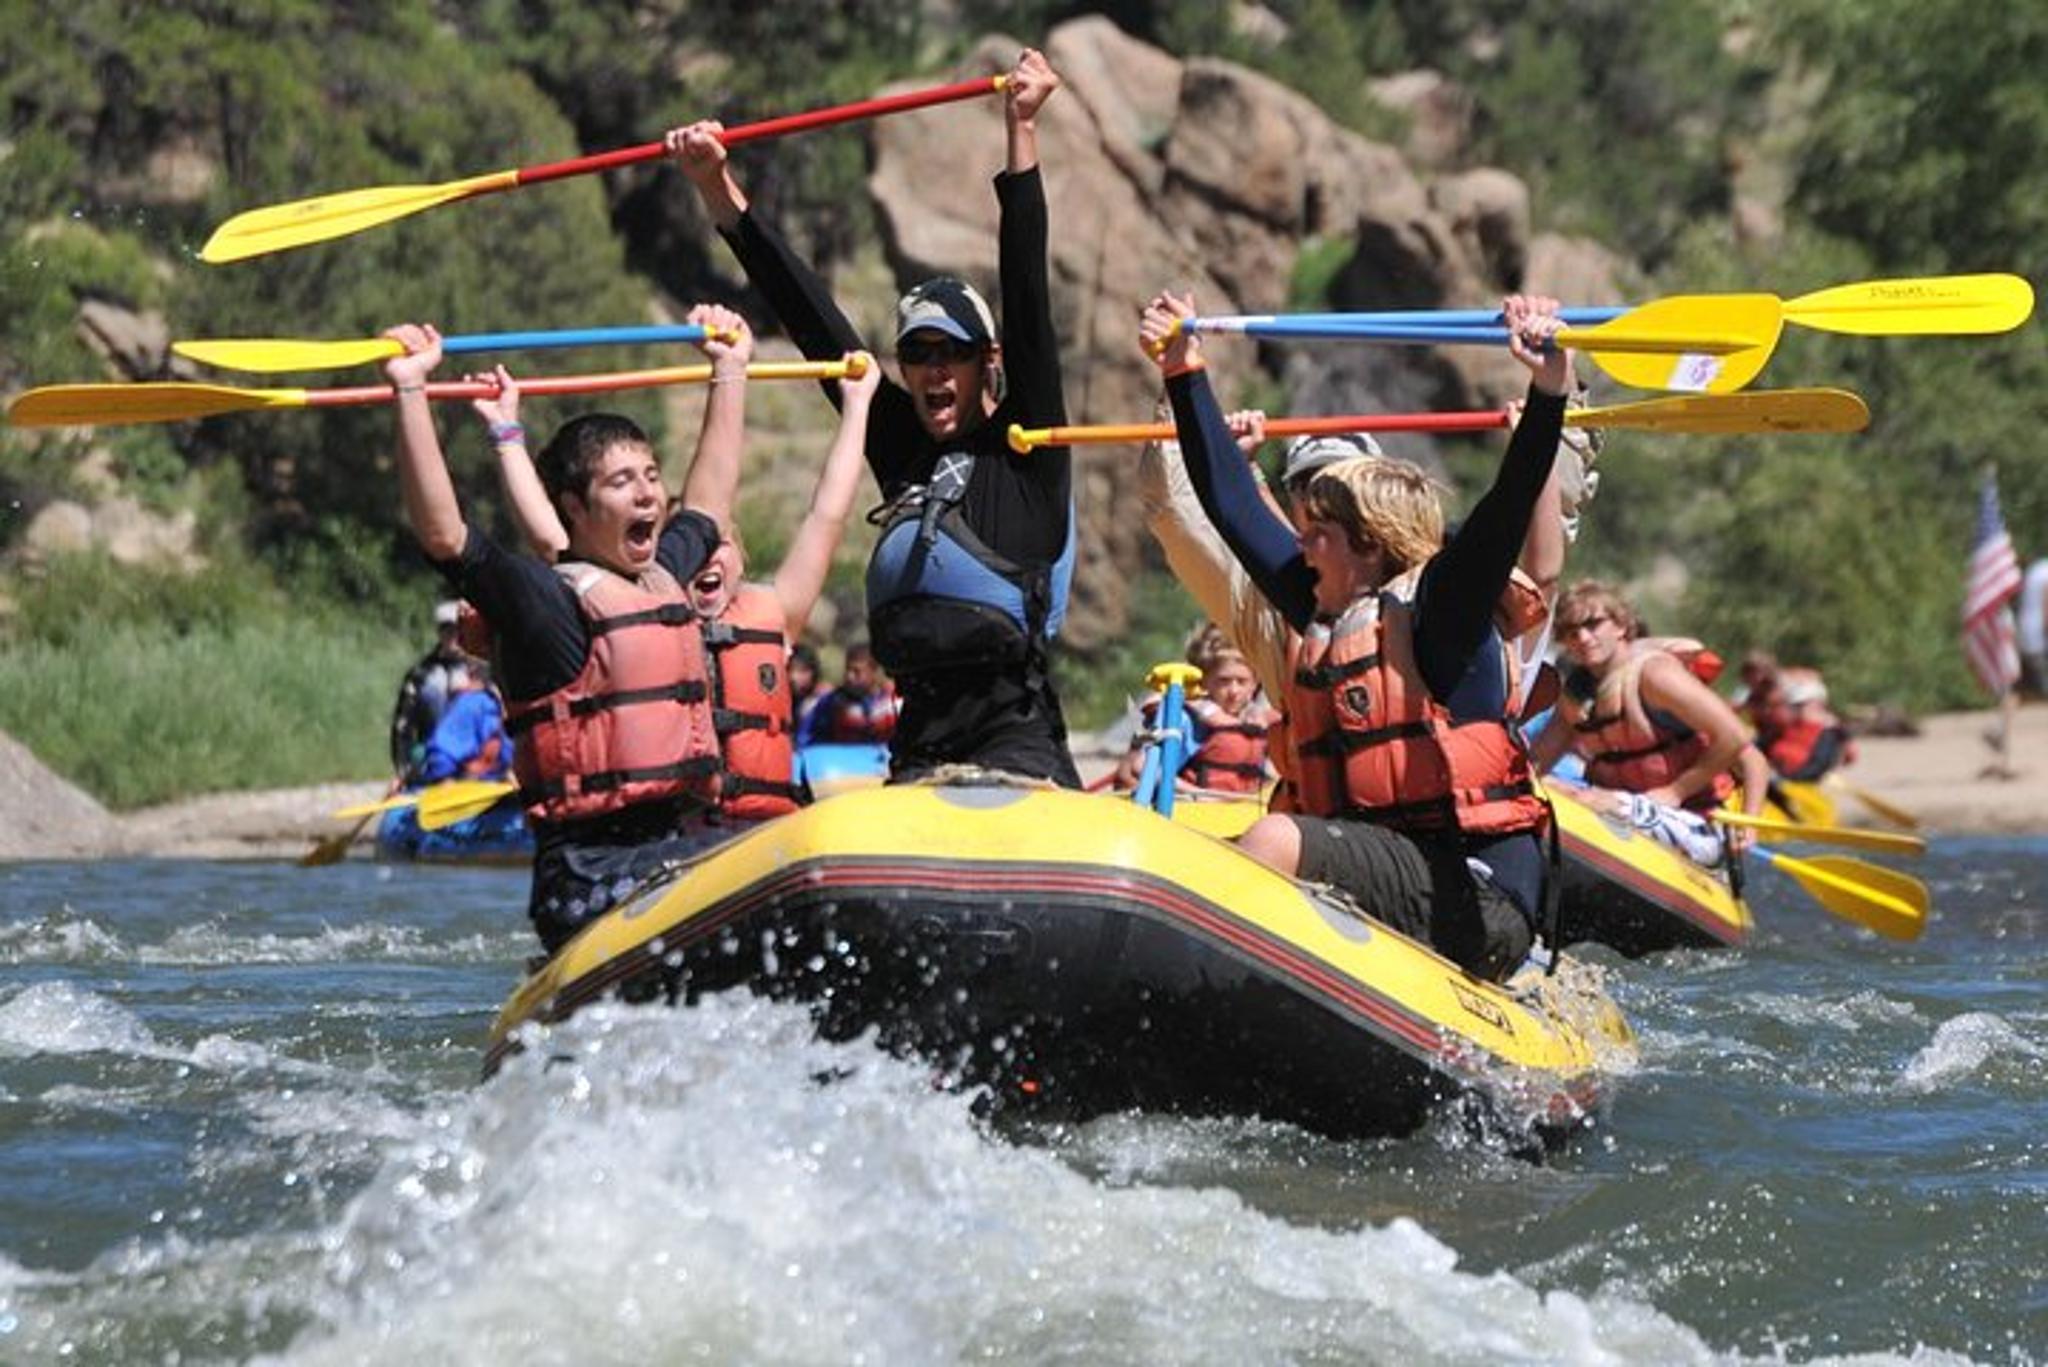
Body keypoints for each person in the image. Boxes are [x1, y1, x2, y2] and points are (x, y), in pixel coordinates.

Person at [667, 48, 1079, 787]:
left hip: (1019, 751)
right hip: (918, 752)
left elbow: (1026, 291)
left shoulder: (1028, 448)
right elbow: (813, 320)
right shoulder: (900, 447)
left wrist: (1022, 128)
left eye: (949, 354)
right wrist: (716, 188)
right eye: (915, 355)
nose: (930, 371)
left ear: (986, 362)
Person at [1141, 289, 1567, 982]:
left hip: (1477, 890)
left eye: (1317, 534)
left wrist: (1548, 390)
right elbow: (1231, 503)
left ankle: (1199, 1000)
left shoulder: (1442, 610)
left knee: (1276, 839)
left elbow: (1505, 509)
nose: (1298, 544)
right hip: (1391, 869)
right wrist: (1184, 369)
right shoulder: (1327, 599)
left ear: (1368, 546)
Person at [382, 321, 727, 954]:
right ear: (574, 506)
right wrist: (411, 391)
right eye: (622, 482)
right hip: (585, 875)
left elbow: (707, 507)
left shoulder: (659, 580)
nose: (649, 492)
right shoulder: (548, 605)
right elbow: (444, 536)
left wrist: (728, 372)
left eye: (652, 475)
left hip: (675, 849)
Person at [475, 304, 881, 830]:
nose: (709, 557)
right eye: (698, 545)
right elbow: (552, 537)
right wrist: (508, 437)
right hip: (681, 836)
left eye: (724, 546)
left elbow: (828, 515)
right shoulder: (637, 596)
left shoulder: (776, 614)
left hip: (759, 838)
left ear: (742, 558)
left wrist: (857, 406)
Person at [1531, 581, 1770, 866]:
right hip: (1620, 809)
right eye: (1571, 632)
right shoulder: (1576, 694)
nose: (1582, 637)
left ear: (1621, 626)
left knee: (1595, 801)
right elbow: (1536, 766)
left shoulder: (1655, 675)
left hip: (1696, 822)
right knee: (1549, 790)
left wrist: (1674, 793)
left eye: (1593, 624)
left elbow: (1736, 738)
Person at [1179, 643, 1278, 795]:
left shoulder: (1262, 720)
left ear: (1254, 684)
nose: (1234, 691)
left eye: (1242, 681)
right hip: (1201, 807)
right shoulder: (1193, 721)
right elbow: (1149, 769)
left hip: (1245, 807)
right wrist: (1202, 794)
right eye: (1223, 681)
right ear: (1206, 682)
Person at [389, 600, 469, 782]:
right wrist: (404, 769)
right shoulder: (421, 674)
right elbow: (403, 725)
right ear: (439, 632)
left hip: (474, 762)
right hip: (431, 757)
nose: (453, 636)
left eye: (458, 630)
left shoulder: (482, 672)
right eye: (447, 630)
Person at [417, 661, 513, 784]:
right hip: (450, 764)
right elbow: (495, 738)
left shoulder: (458, 700)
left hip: (436, 758)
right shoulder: (485, 703)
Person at [813, 643, 902, 745]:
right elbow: (814, 741)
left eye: (856, 671)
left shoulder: (893, 703)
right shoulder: (831, 702)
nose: (849, 676)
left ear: (874, 672)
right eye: (847, 670)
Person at [787, 643, 832, 743]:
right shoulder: (785, 698)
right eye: (789, 669)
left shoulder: (826, 698)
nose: (793, 677)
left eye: (802, 671)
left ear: (814, 672)